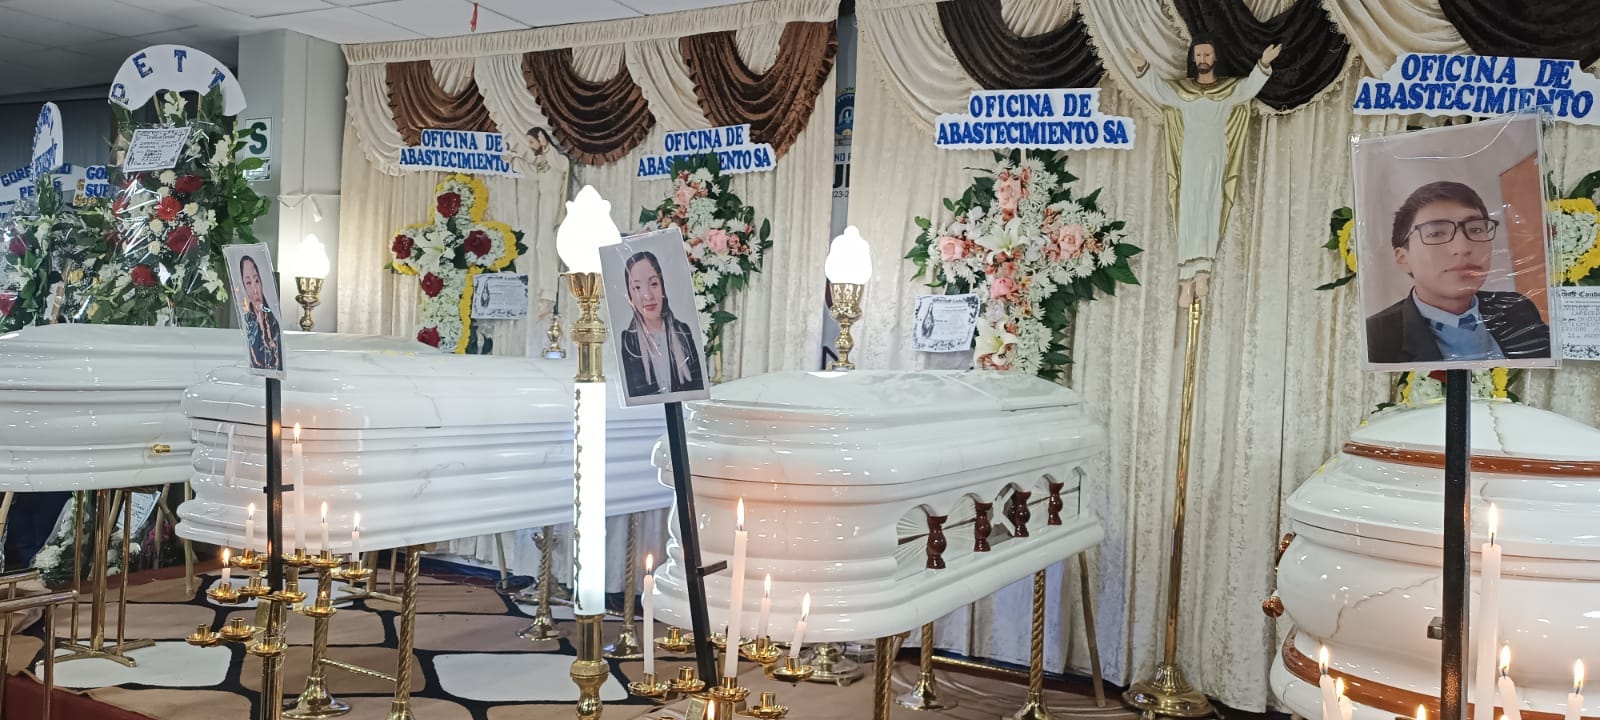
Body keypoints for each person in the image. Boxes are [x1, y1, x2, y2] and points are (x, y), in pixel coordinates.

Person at [1127, 39, 1281, 307]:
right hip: (1190, 159)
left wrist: (1263, 63)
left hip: (1215, 157)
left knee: (1209, 209)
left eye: (1207, 53)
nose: (1202, 58)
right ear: (1193, 58)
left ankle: (1202, 272)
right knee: (1187, 211)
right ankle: (1185, 279)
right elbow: (1159, 90)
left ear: (1215, 57)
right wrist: (1143, 67)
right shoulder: (1182, 91)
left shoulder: (1228, 90)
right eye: (1198, 54)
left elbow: (1248, 88)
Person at [1365, 181, 1551, 363]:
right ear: (1403, 258)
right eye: (1436, 233)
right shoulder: (1375, 337)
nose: (1462, 248)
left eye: (1475, 229)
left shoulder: (1516, 308)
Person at [618, 251, 704, 397]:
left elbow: (697, 387)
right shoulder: (628, 341)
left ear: (662, 287)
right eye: (637, 288)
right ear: (630, 296)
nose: (648, 296)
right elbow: (636, 396)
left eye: (653, 284)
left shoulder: (682, 331)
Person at [238, 254, 283, 372]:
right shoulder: (247, 323)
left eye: (256, 280)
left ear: (261, 283)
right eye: (248, 283)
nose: (255, 290)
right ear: (244, 288)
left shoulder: (274, 322)